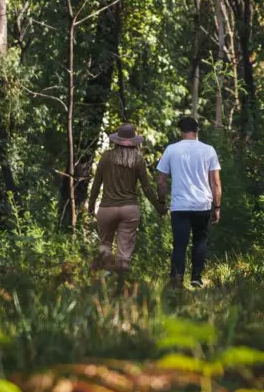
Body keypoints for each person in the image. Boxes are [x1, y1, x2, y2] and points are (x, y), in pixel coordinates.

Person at [87, 123, 166, 272]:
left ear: (116, 140)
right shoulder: (138, 159)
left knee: (105, 245)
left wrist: (91, 206)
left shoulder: (106, 157)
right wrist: (159, 207)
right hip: (129, 210)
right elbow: (147, 189)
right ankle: (121, 286)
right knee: (124, 254)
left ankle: (102, 283)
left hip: (107, 209)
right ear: (134, 141)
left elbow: (96, 184)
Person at [156, 116, 222, 288]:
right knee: (199, 241)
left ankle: (176, 279)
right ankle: (196, 278)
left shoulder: (171, 150)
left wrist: (161, 202)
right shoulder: (209, 150)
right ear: (197, 130)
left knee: (179, 243)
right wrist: (217, 207)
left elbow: (161, 181)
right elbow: (216, 182)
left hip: (180, 206)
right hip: (202, 205)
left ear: (181, 131)